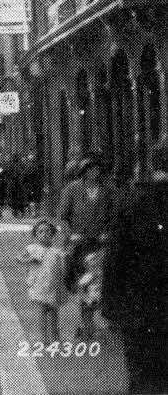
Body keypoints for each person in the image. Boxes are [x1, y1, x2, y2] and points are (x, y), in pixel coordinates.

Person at [102, 136, 168, 393]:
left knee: (145, 384)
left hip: (141, 313)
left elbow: (115, 260)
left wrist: (110, 307)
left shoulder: (133, 202)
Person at [56, 155, 116, 295]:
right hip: (79, 242)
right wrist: (70, 235)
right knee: (80, 280)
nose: (94, 172)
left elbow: (113, 215)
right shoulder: (72, 189)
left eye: (97, 169)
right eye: (90, 169)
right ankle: (85, 306)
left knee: (97, 279)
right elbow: (62, 216)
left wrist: (107, 232)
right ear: (83, 171)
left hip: (100, 241)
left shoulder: (107, 190)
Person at [20, 218, 63, 345]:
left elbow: (61, 270)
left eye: (48, 231)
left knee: (54, 315)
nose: (44, 234)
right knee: (41, 315)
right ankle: (44, 341)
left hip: (53, 286)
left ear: (52, 234)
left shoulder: (56, 251)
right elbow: (19, 258)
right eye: (41, 231)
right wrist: (30, 260)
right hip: (37, 286)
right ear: (35, 234)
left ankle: (55, 339)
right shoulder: (31, 248)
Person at [75, 245, 104, 342]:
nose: (94, 262)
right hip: (90, 299)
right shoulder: (93, 274)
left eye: (95, 260)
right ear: (87, 264)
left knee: (88, 317)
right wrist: (84, 297)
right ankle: (88, 333)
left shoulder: (93, 274)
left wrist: (85, 298)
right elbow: (81, 287)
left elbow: (81, 286)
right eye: (92, 260)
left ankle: (87, 334)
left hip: (92, 299)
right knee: (88, 317)